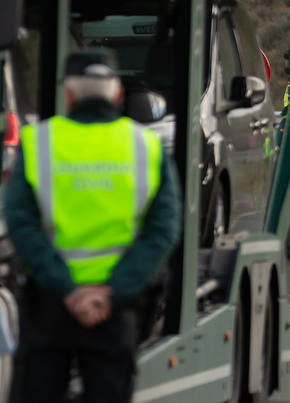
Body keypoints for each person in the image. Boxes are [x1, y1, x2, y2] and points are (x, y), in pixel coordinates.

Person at [4, 49, 181, 402]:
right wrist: (112, 291)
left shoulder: (39, 142)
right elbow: (163, 230)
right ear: (117, 94)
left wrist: (68, 289)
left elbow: (21, 225)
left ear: (68, 93)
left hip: (50, 308)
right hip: (115, 310)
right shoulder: (146, 146)